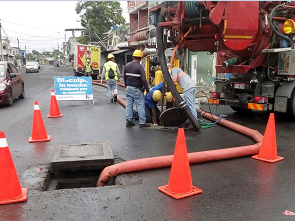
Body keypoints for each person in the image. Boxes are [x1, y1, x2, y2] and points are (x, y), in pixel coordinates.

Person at [124, 50, 150, 128]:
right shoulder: (140, 67)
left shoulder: (127, 65)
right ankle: (142, 122)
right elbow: (144, 80)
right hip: (137, 89)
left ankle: (129, 121)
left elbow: (125, 77)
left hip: (128, 87)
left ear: (132, 57)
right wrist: (147, 89)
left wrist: (126, 85)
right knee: (140, 105)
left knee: (129, 104)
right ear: (141, 58)